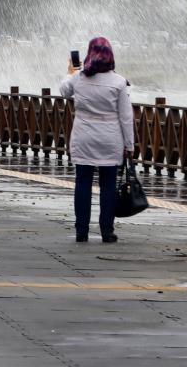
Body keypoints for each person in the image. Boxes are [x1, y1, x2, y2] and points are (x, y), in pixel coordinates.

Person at [59, 36, 135, 243]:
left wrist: (70, 72)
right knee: (108, 184)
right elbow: (126, 117)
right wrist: (129, 144)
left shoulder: (79, 78)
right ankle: (106, 231)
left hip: (84, 136)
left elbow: (64, 91)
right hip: (110, 138)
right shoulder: (119, 82)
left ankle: (81, 231)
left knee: (82, 182)